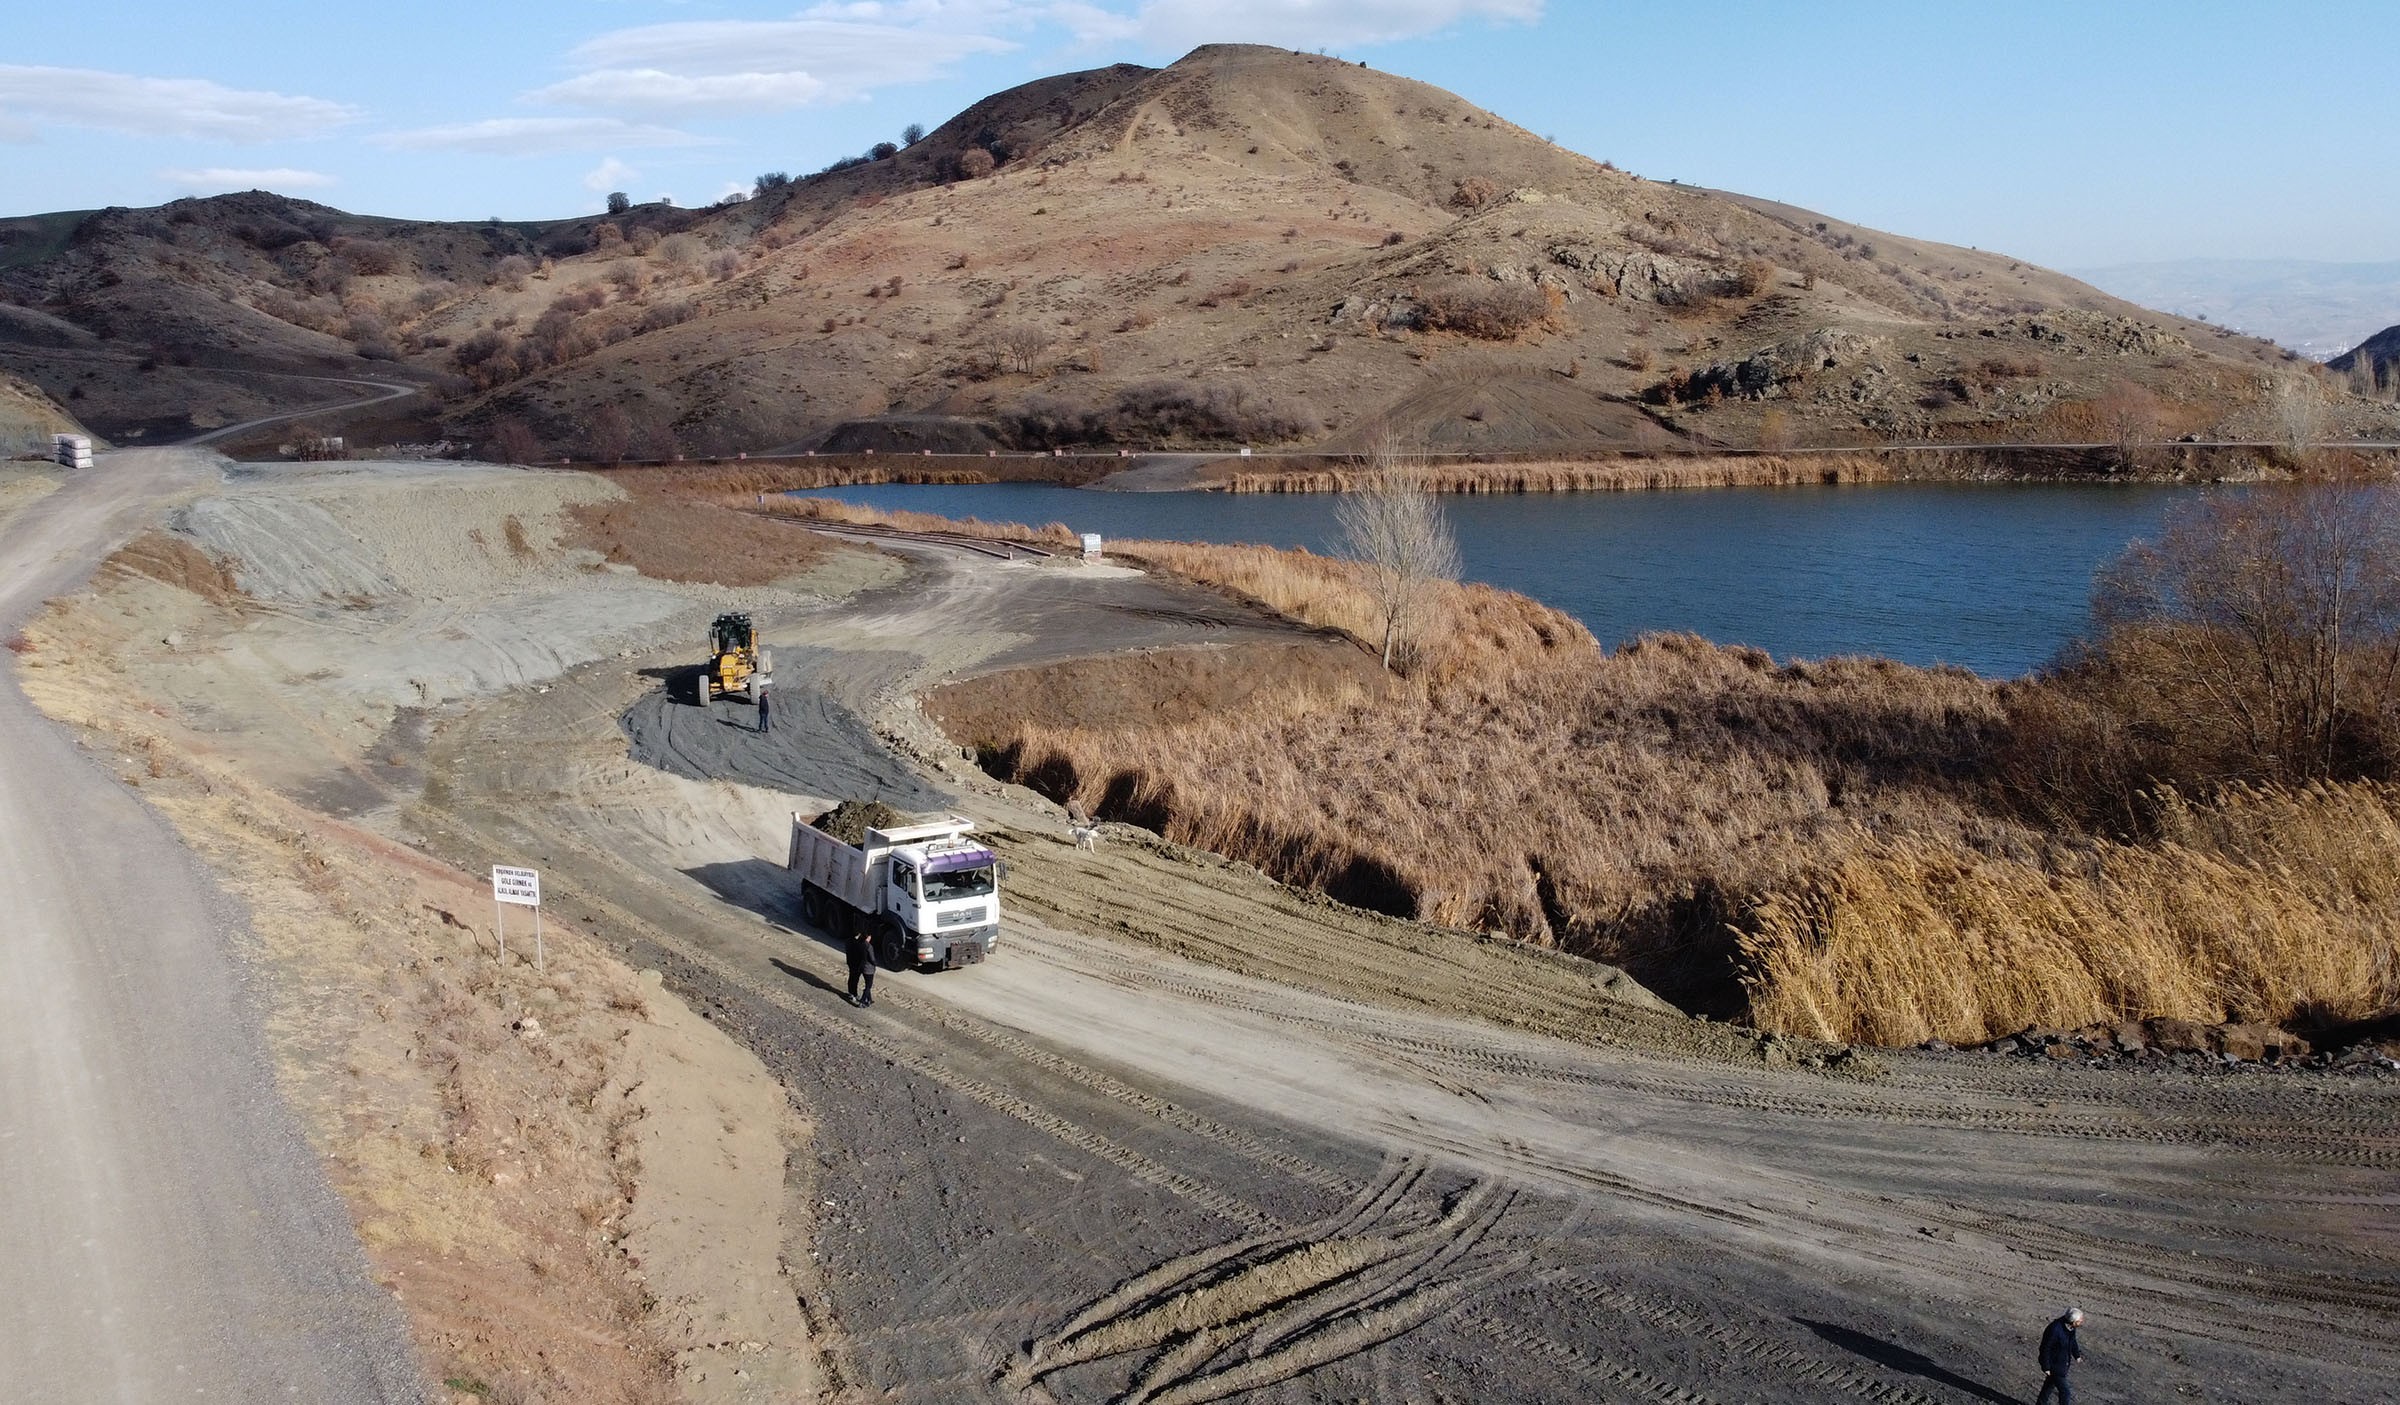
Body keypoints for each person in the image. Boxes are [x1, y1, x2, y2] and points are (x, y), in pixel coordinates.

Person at [2035, 1307, 2085, 1405]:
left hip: (2062, 1363)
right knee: (2065, 1392)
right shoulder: (2055, 1330)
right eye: (2080, 1320)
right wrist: (2046, 1367)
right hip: (2055, 1366)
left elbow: (2072, 1341)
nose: (2082, 1321)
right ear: (2074, 1321)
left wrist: (2077, 1355)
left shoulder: (2070, 1328)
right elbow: (2045, 1348)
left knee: (2048, 1386)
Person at [844, 924, 875, 1007]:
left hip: (854, 963)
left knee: (854, 978)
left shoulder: (851, 942)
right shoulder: (858, 943)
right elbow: (870, 958)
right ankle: (855, 995)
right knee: (857, 980)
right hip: (857, 964)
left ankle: (855, 994)